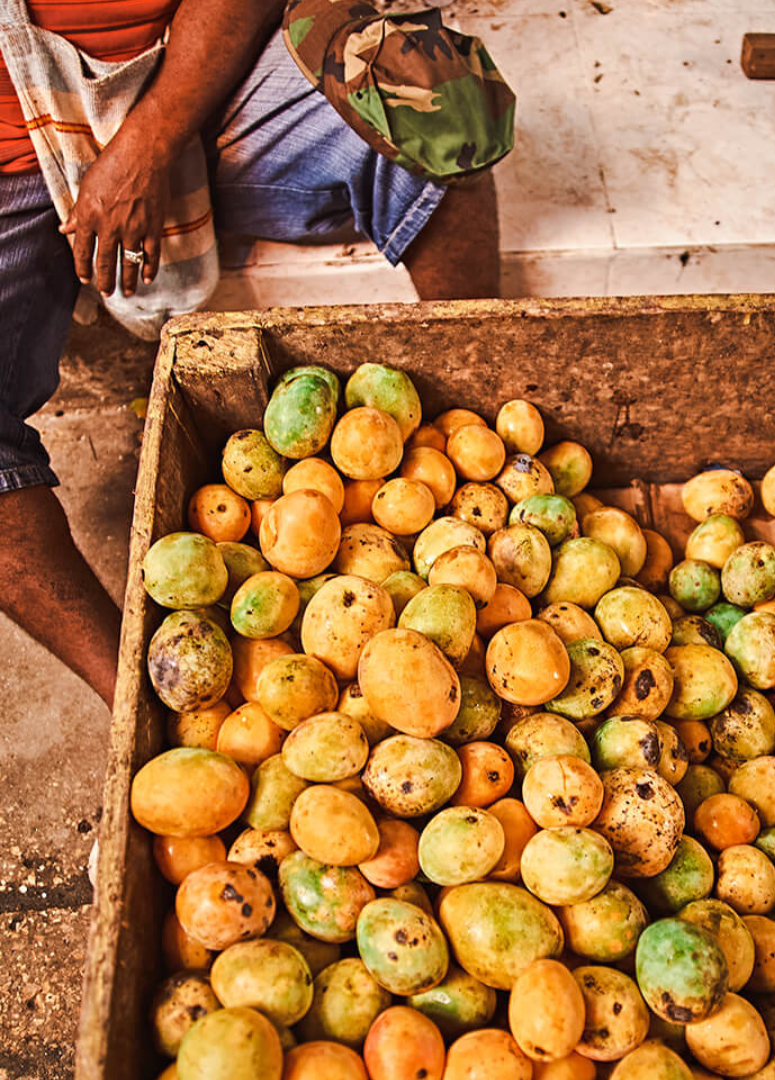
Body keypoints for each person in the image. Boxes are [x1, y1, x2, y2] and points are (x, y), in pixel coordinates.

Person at [0, 0, 500, 707]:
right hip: (10, 163)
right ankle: (139, 703)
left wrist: (148, 140)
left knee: (431, 95)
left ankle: (472, 440)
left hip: (197, 92)